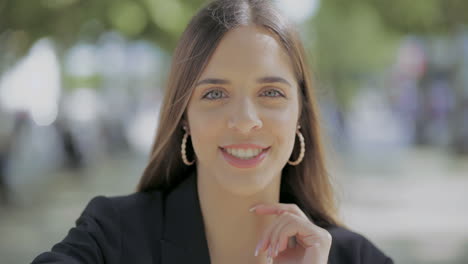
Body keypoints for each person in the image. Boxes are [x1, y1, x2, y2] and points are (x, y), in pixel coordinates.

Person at [32, 0, 394, 263]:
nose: (243, 120)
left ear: (300, 113)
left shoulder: (356, 256)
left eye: (271, 93)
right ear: (184, 115)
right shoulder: (111, 236)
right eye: (214, 93)